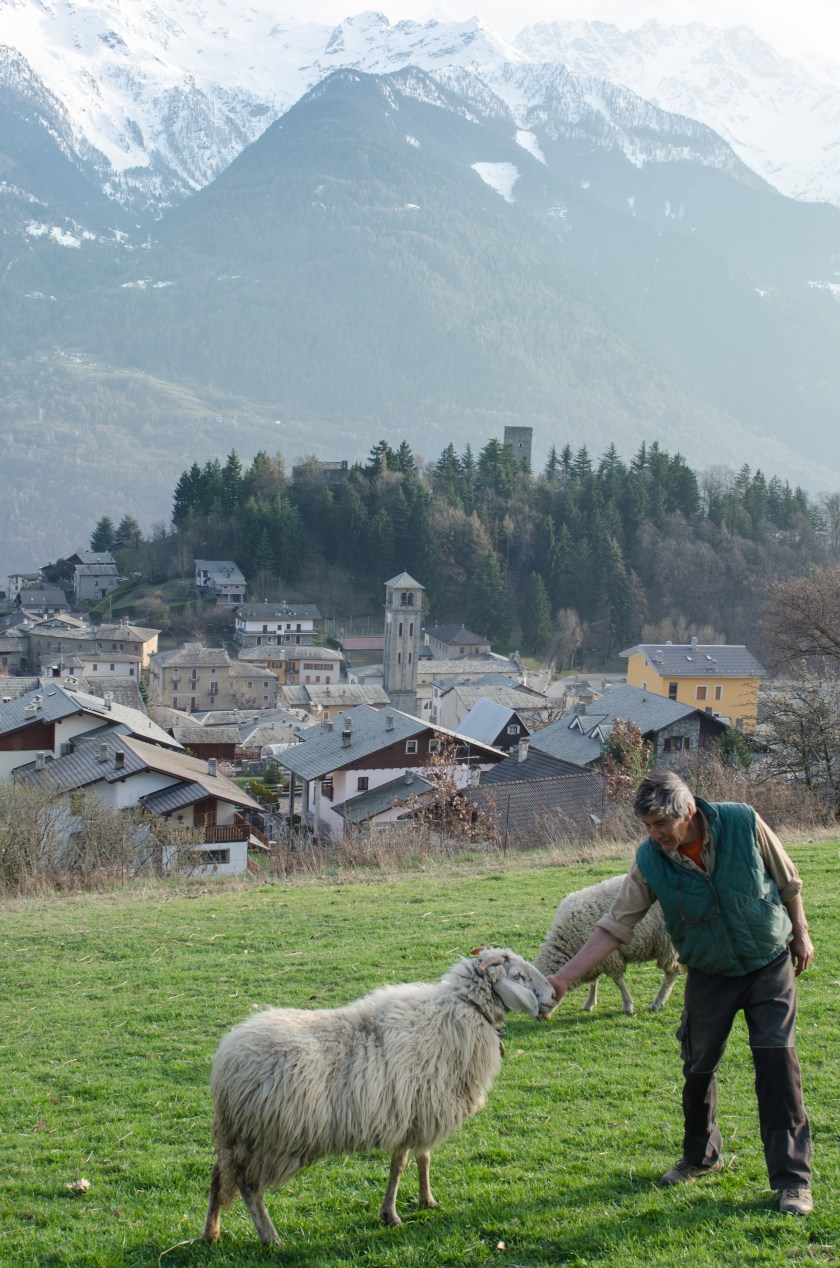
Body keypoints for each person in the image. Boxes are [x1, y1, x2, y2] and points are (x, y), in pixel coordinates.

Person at [546, 768, 814, 1216]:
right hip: (708, 971)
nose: (653, 835)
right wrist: (563, 979)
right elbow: (615, 926)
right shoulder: (650, 860)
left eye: (661, 825)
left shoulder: (743, 822)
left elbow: (787, 879)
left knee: (776, 1065)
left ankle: (792, 1182)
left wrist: (801, 933)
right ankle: (700, 1157)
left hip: (768, 961)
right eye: (647, 827)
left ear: (688, 811)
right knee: (698, 1066)